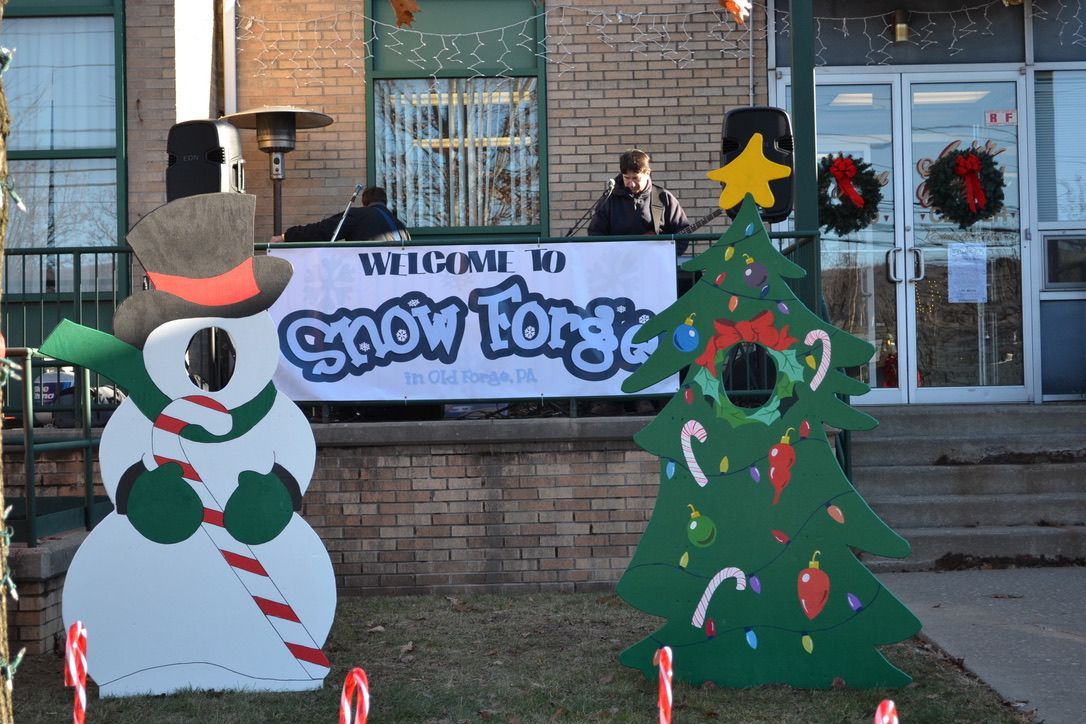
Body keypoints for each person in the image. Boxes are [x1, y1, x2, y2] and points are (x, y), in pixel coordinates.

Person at [587, 149, 690, 254]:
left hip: (656, 262)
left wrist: (666, 255)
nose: (631, 184)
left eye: (636, 178)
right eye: (626, 178)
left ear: (648, 173)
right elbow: (595, 233)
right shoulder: (608, 200)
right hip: (618, 261)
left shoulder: (663, 197)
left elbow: (682, 232)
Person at [271, 186, 410, 243]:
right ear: (385, 202)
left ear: (363, 202)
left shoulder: (358, 215)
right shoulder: (400, 225)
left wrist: (286, 236)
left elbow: (323, 230)